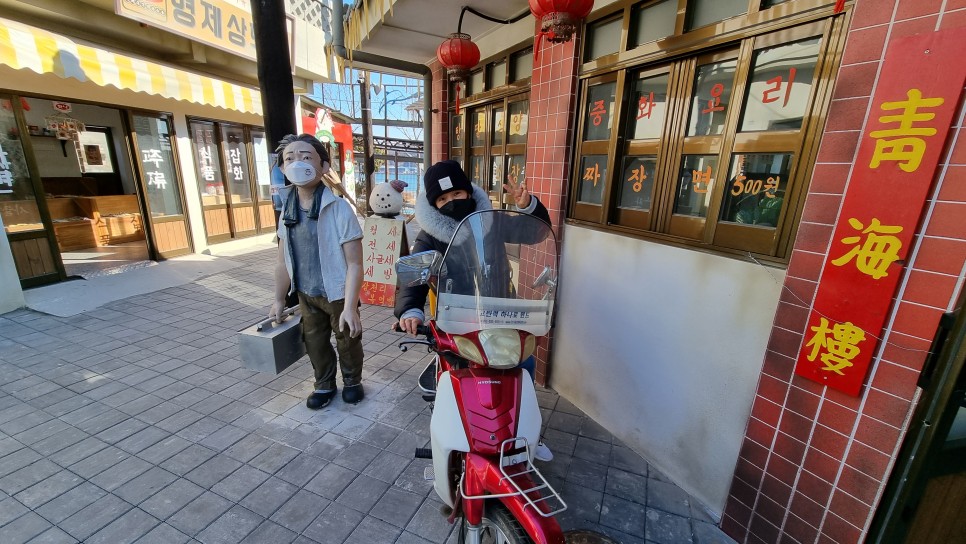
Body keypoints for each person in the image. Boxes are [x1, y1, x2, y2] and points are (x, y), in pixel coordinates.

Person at [394, 160, 555, 461]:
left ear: (467, 192)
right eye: (441, 200)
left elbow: (535, 233)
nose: (450, 202)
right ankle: (449, 434)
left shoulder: (491, 222)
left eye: (456, 194)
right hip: (456, 319)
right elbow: (412, 280)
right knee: (454, 378)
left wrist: (527, 205)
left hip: (498, 312)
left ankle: (528, 432)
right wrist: (410, 311)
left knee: (524, 366)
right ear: (434, 205)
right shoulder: (429, 237)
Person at [270, 134, 365, 410]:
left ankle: (352, 381)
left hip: (336, 291)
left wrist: (350, 306)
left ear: (324, 167)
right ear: (283, 168)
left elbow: (355, 263)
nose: (297, 163)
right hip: (305, 292)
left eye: (306, 157)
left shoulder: (338, 208)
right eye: (290, 158)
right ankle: (323, 384)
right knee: (314, 341)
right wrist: (278, 298)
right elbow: (281, 260)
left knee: (347, 338)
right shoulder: (286, 208)